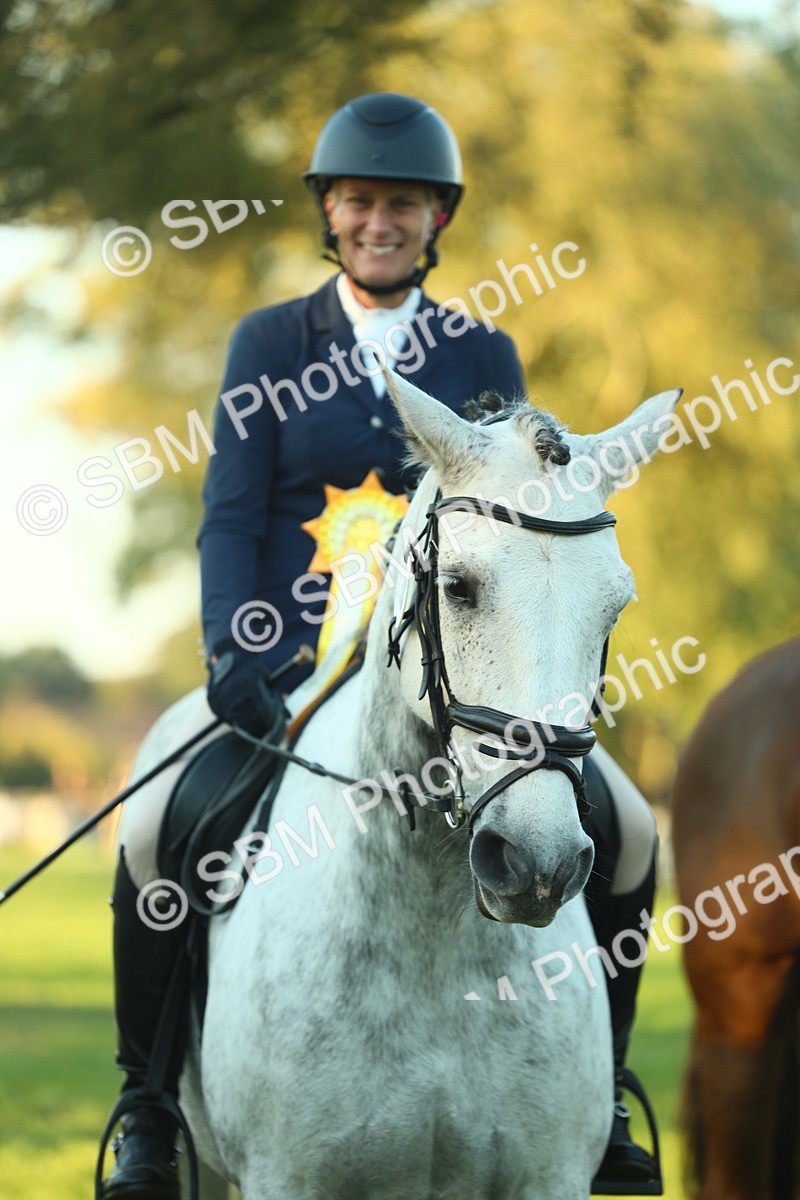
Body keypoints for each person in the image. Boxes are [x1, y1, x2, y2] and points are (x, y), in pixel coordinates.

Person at [101, 92, 660, 1199]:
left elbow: (517, 510)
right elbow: (231, 510)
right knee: (158, 822)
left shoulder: (481, 347)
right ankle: (150, 1108)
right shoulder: (269, 342)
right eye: (358, 201)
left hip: (458, 670)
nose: (377, 221)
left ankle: (598, 1108)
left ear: (433, 218)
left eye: (400, 204)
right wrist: (229, 656)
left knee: (628, 830)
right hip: (288, 663)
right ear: (330, 212)